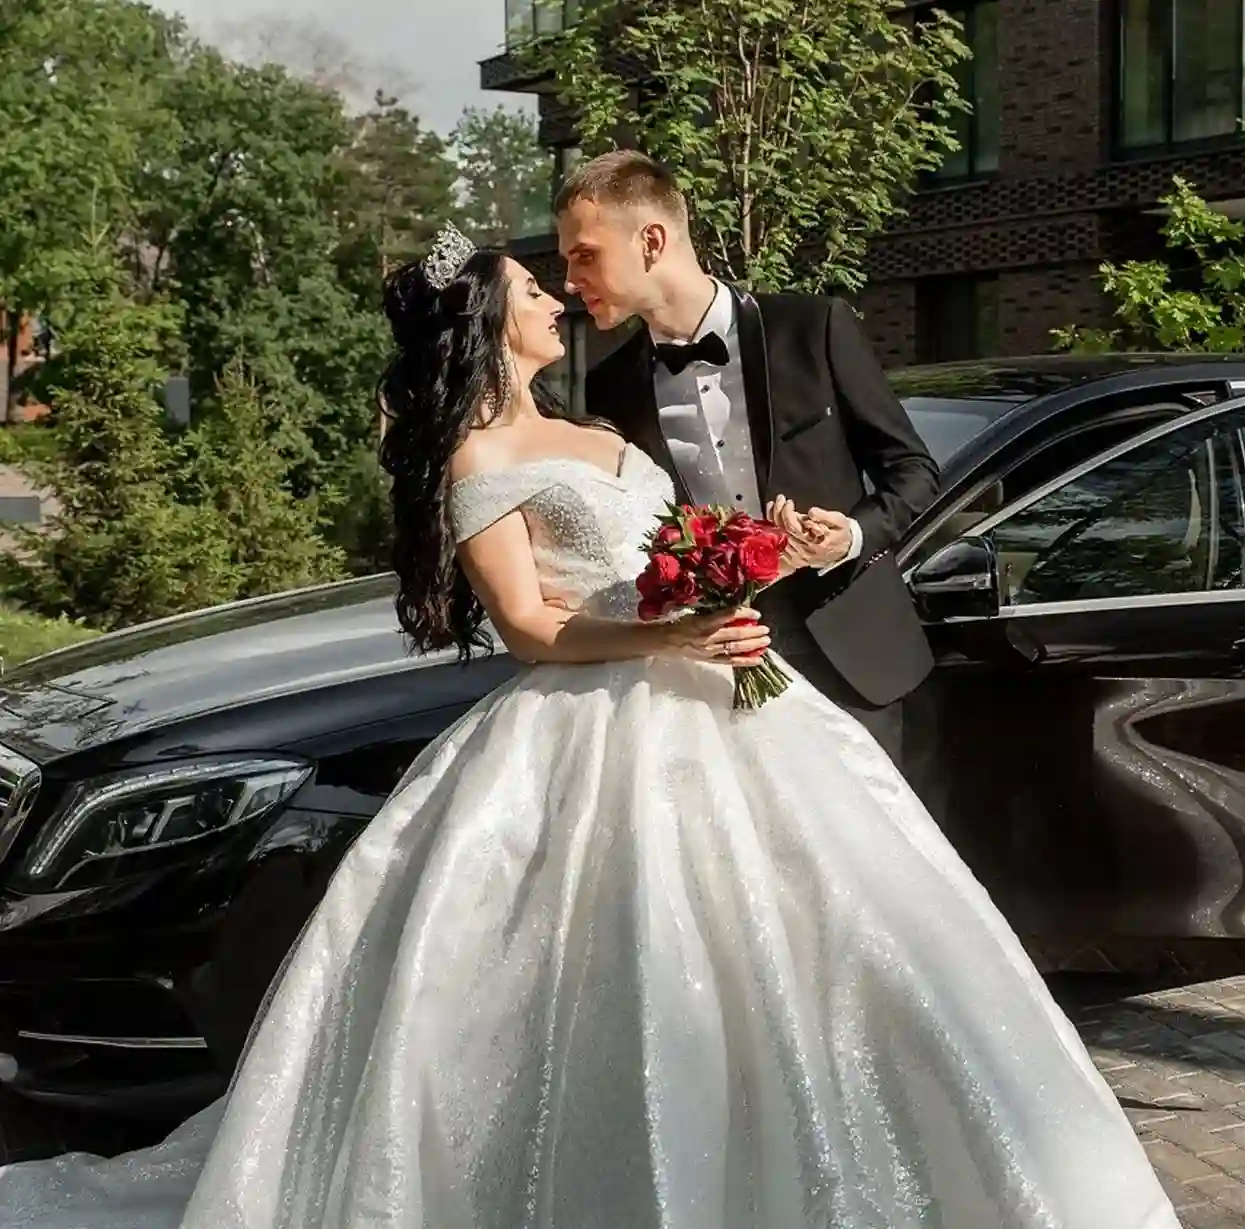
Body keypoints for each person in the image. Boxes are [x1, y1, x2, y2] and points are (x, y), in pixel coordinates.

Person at [0, 226, 1181, 1229]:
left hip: (734, 701)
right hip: (590, 723)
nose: (560, 296)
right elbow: (525, 622)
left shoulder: (599, 414)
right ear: (487, 322)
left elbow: (660, 548)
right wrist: (667, 633)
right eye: (532, 289)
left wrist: (751, 555)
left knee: (845, 938)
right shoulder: (478, 455)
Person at [565, 150, 938, 760]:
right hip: (708, 667)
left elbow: (913, 471)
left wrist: (847, 536)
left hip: (851, 658)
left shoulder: (812, 327)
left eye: (585, 256)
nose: (571, 281)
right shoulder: (611, 387)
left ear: (651, 240)